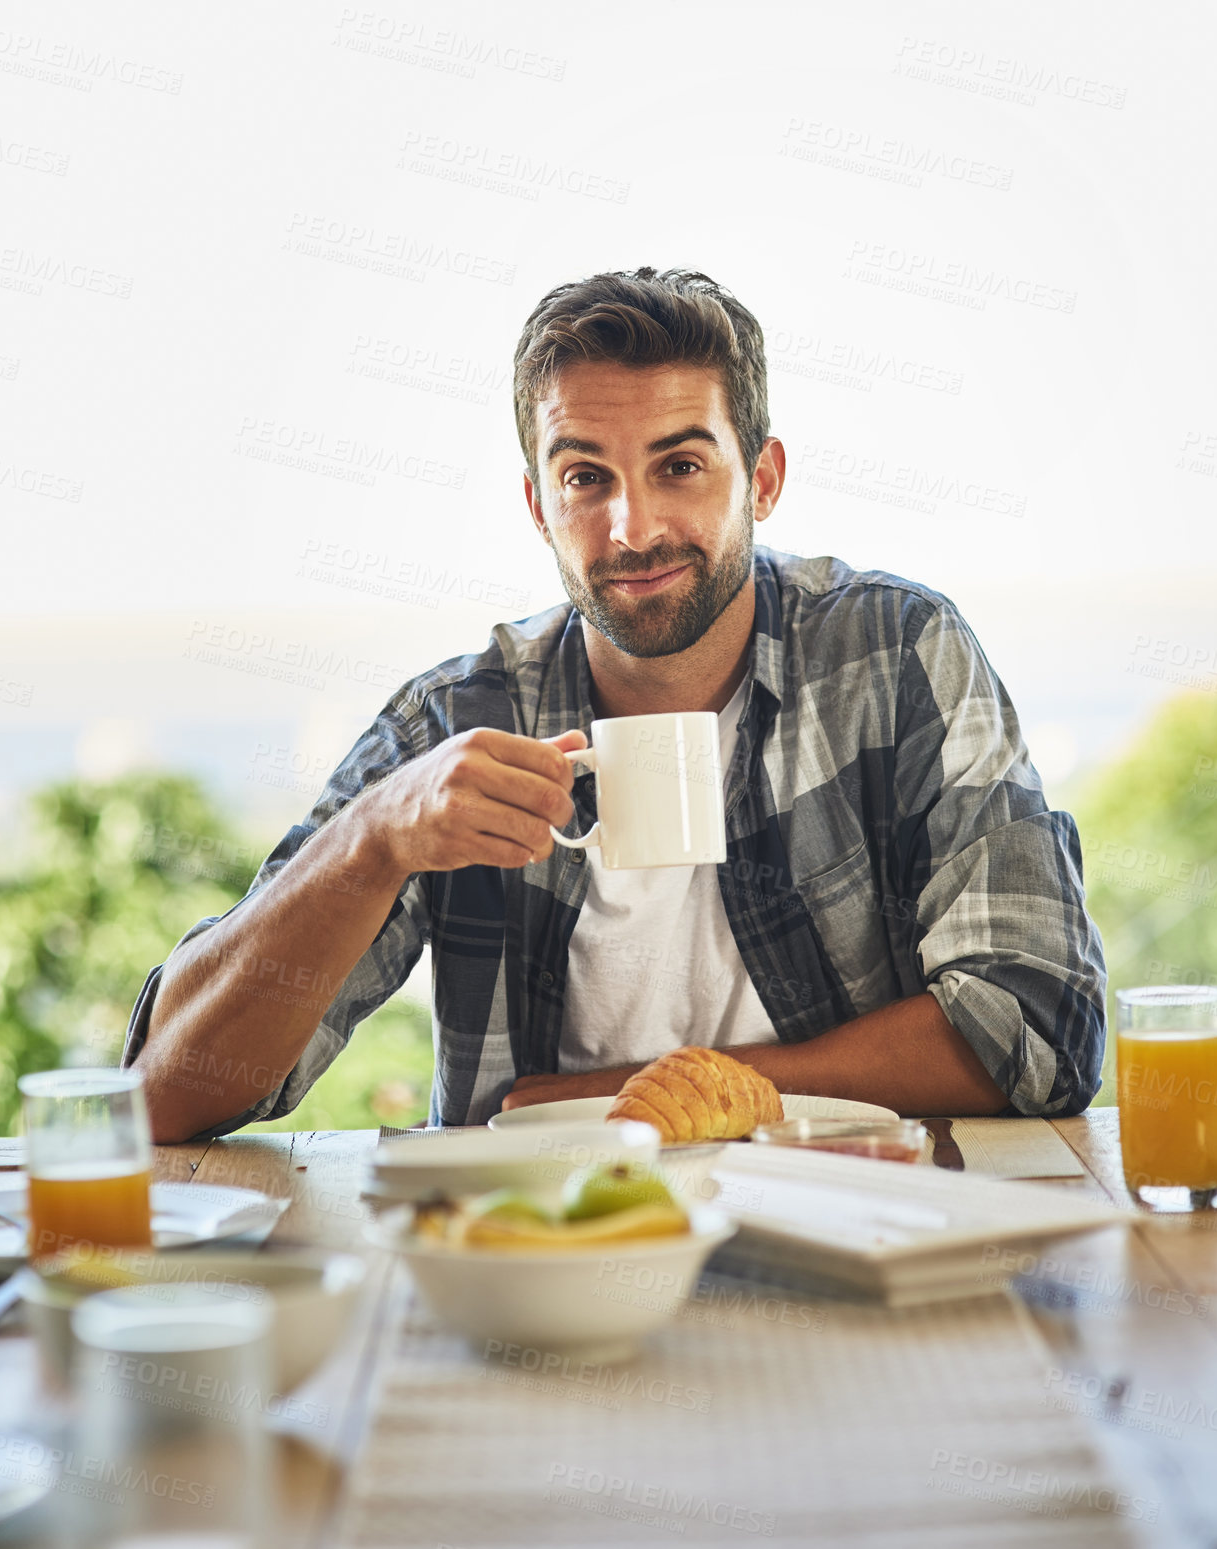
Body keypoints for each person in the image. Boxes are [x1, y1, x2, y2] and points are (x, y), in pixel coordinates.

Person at [123, 266, 1106, 1141]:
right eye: (584, 477)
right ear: (535, 505)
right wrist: (374, 835)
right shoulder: (456, 721)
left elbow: (1037, 1017)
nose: (631, 528)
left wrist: (629, 1097)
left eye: (679, 466)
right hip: (547, 1269)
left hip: (851, 1249)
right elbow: (165, 1094)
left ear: (759, 478)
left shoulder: (891, 653)